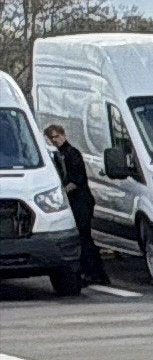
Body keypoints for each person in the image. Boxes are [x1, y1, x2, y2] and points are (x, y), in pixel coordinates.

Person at [43, 118, 101, 296]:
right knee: (82, 238)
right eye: (51, 138)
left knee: (84, 237)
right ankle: (92, 272)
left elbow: (77, 180)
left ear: (63, 135)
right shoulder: (59, 154)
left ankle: (94, 272)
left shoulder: (71, 153)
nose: (54, 141)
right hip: (75, 201)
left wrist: (61, 193)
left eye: (56, 137)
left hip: (81, 201)